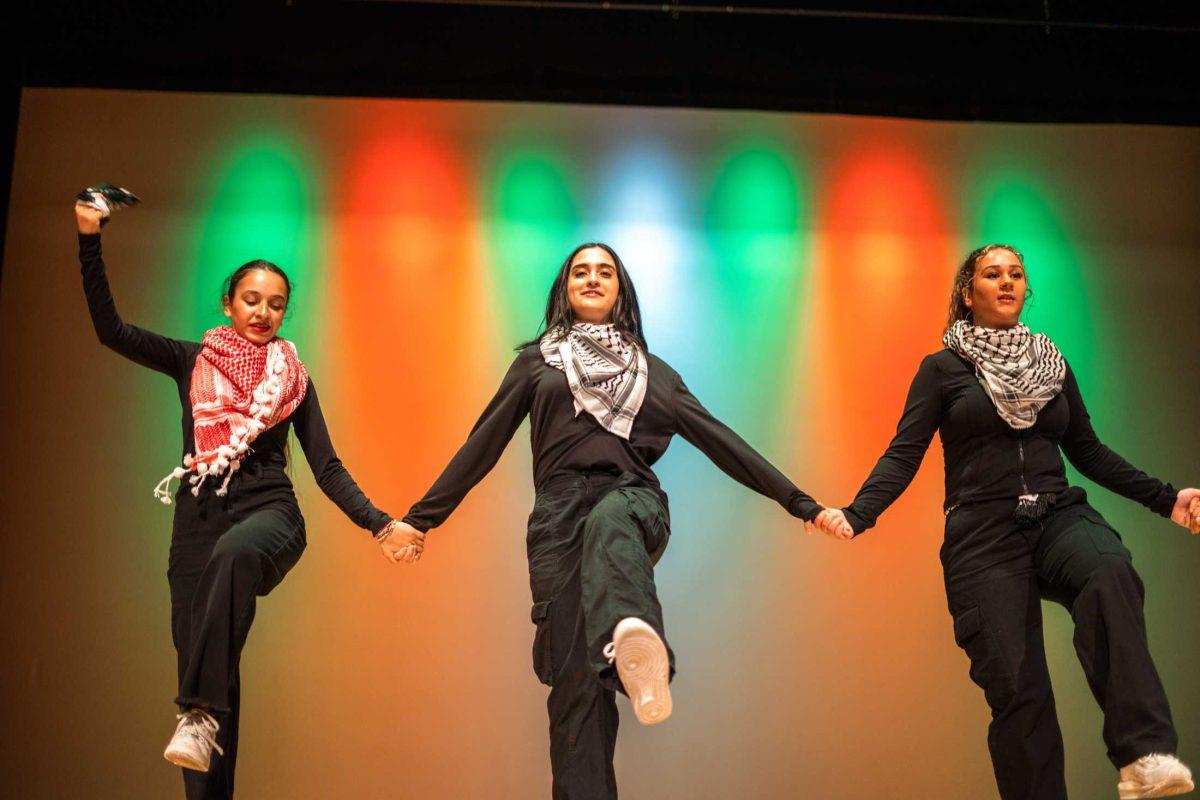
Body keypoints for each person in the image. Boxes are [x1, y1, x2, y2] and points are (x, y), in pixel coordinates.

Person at [388, 242, 824, 799]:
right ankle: (621, 663)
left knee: (610, 522)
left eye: (605, 272)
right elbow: (483, 443)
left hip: (632, 499)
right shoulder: (535, 364)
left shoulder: (654, 375)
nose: (592, 279)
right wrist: (421, 520)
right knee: (575, 695)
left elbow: (720, 440)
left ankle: (642, 653)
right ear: (565, 287)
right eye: (580, 271)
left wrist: (801, 503)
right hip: (557, 521)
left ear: (621, 289)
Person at [813, 243, 1200, 800]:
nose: (1006, 282)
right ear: (968, 295)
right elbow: (904, 452)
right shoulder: (943, 369)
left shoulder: (1049, 361)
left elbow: (1088, 451)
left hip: (1055, 514)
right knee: (1020, 691)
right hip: (982, 534)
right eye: (992, 275)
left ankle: (1143, 755)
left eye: (1017, 273)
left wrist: (1167, 499)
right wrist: (857, 514)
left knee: (1110, 570)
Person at [73, 185, 424, 799]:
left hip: (270, 513)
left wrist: (380, 523)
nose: (263, 312)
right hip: (196, 524)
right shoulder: (192, 359)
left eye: (277, 304)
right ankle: (203, 718)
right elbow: (110, 329)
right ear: (228, 304)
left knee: (234, 566)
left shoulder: (294, 380)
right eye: (252, 300)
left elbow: (327, 467)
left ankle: (197, 711)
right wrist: (88, 237)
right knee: (211, 677)